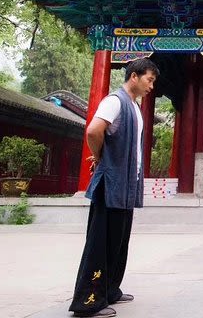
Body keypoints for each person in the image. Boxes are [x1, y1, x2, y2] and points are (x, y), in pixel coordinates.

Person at [69, 58, 159, 317]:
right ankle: (88, 303)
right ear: (134, 76)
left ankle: (110, 290)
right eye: (149, 80)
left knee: (118, 242)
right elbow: (93, 131)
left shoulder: (133, 106)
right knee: (101, 243)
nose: (151, 86)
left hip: (125, 186)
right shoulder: (115, 101)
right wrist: (99, 158)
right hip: (111, 184)